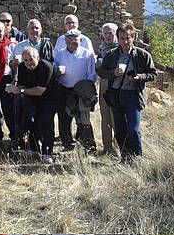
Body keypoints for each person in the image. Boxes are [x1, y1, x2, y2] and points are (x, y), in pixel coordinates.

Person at [98, 23, 157, 162]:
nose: (125, 41)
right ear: (117, 38)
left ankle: (137, 159)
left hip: (133, 95)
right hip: (116, 95)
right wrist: (113, 72)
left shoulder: (142, 55)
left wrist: (139, 77)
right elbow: (101, 73)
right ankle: (125, 157)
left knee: (134, 130)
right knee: (120, 130)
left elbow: (153, 74)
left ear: (134, 37)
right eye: (122, 38)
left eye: (128, 38)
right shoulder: (111, 55)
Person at [6, 46, 55, 163]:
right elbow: (22, 86)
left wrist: (19, 91)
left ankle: (47, 152)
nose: (29, 63)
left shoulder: (46, 67)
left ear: (38, 57)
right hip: (32, 98)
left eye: (31, 59)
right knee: (31, 120)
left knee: (46, 121)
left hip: (49, 98)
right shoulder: (22, 67)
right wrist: (14, 89)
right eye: (26, 60)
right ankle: (33, 148)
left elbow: (40, 90)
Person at [54, 28, 98, 153]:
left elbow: (92, 75)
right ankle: (67, 144)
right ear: (65, 40)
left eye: (76, 40)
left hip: (81, 92)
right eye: (70, 40)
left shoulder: (87, 54)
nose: (73, 43)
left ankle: (86, 145)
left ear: (81, 40)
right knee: (64, 118)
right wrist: (58, 73)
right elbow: (55, 73)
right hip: (64, 90)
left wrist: (85, 90)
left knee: (83, 119)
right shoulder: (60, 54)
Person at [96, 22, 119, 156]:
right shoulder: (102, 48)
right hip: (104, 84)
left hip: (116, 85)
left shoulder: (120, 49)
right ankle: (107, 147)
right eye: (105, 33)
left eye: (110, 33)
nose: (108, 36)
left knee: (115, 116)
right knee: (105, 116)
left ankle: (117, 146)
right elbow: (99, 70)